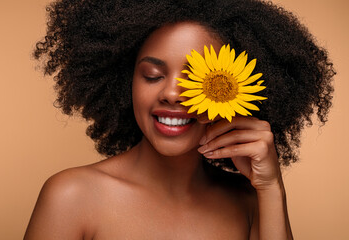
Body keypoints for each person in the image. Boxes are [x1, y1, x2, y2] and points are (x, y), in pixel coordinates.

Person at [24, 0, 334, 239]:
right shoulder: (71, 197)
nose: (172, 93)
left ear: (233, 89)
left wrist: (270, 188)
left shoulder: (249, 202)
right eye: (152, 75)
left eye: (196, 80)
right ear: (125, 82)